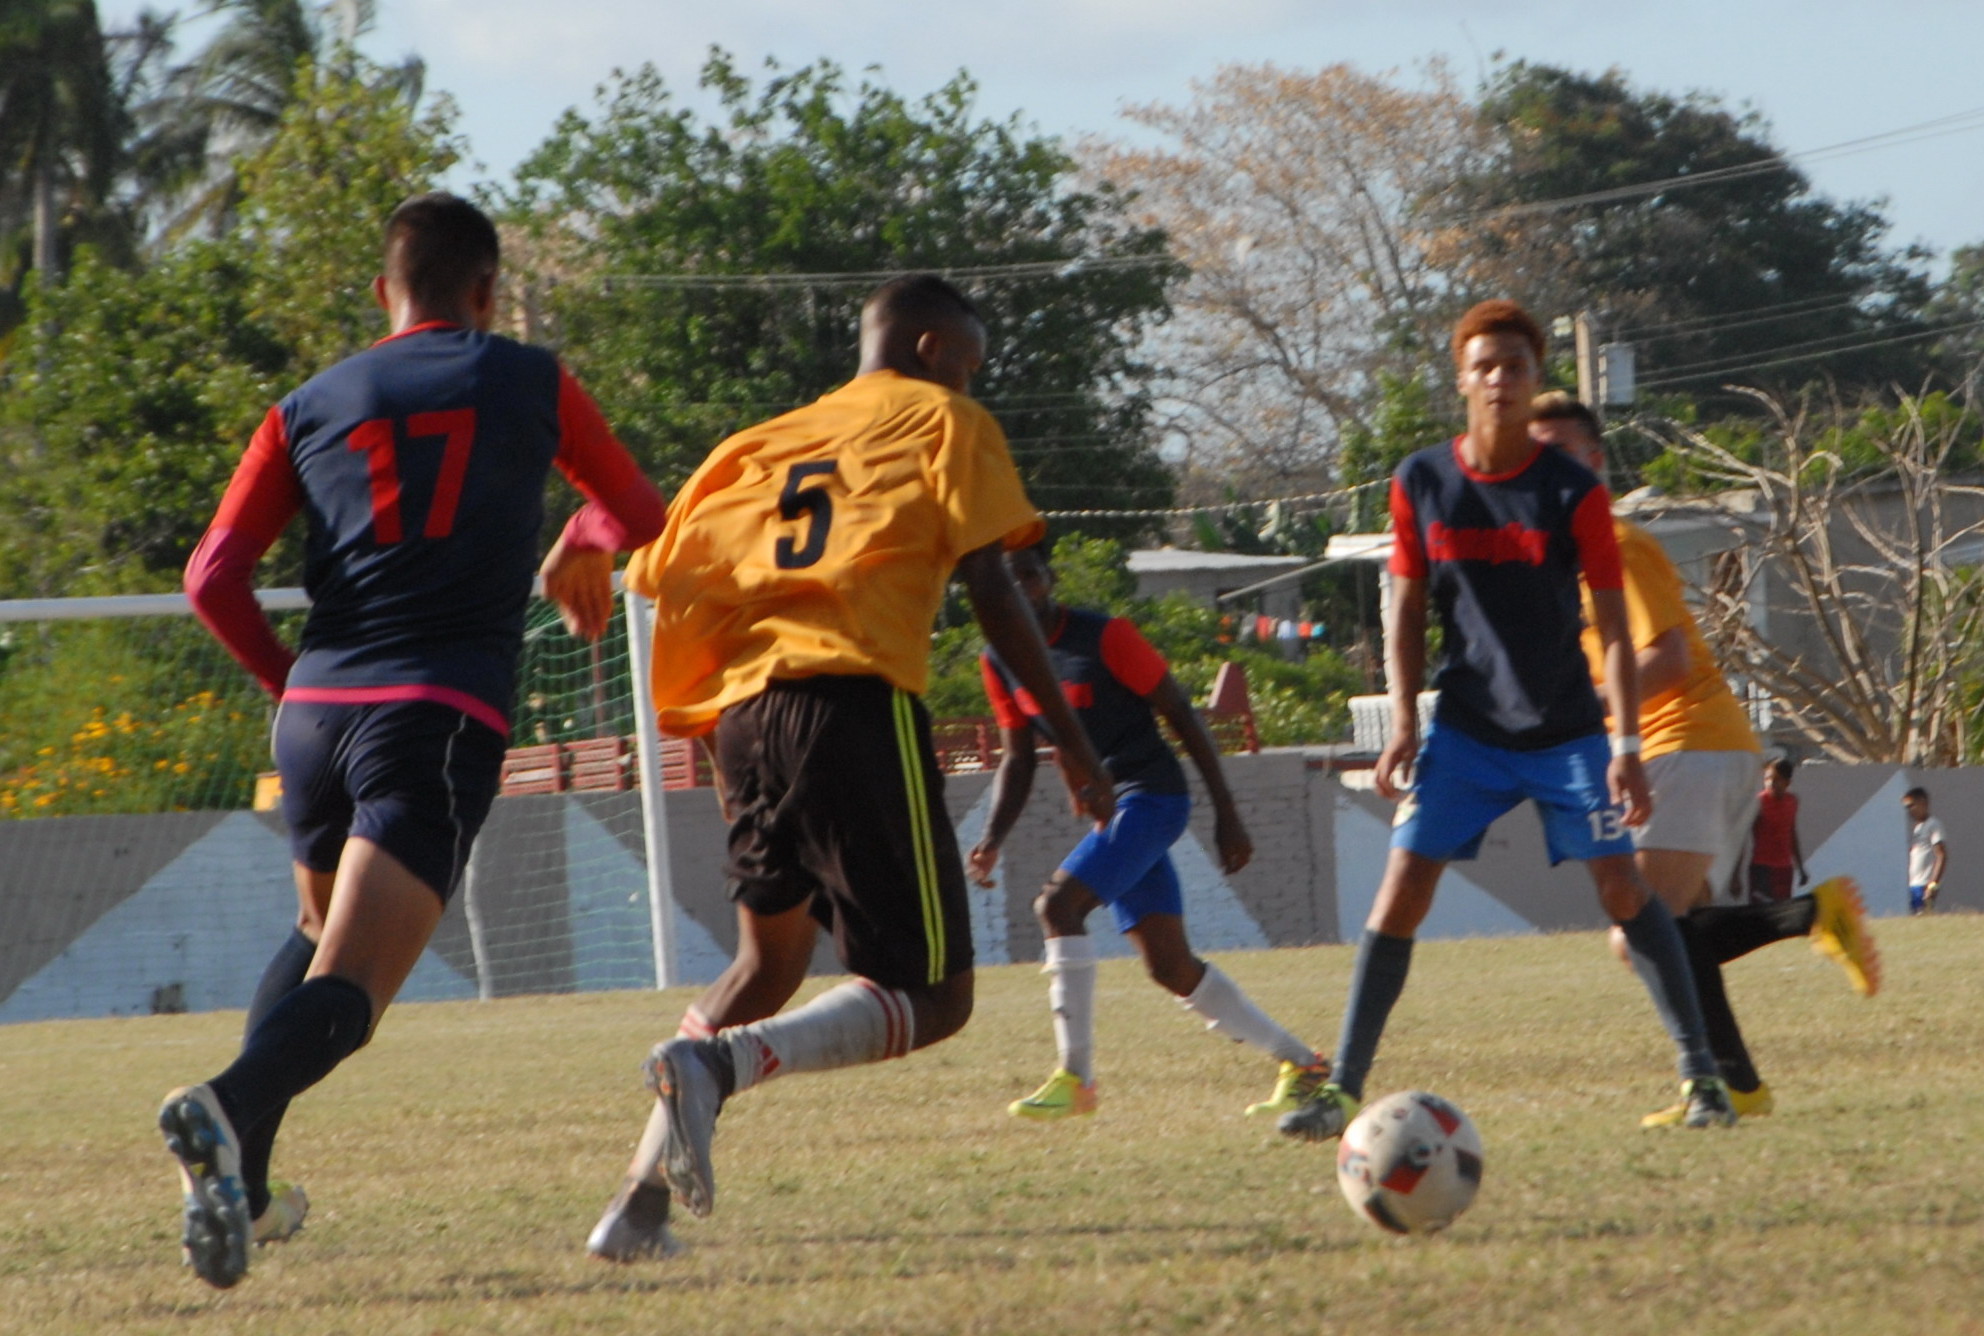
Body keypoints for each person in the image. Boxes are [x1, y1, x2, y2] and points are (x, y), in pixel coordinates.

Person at [161, 193, 669, 1289]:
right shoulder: (529, 379)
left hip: (314, 718)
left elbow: (209, 578)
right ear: (485, 292)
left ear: (384, 293)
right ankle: (224, 1105)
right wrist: (582, 534)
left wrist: (288, 680)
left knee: (313, 936)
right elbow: (637, 505)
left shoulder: (303, 404)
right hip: (431, 711)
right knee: (354, 995)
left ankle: (243, 1187)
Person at [573, 275, 1114, 1262]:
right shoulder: (947, 418)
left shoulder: (751, 445)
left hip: (744, 719)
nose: (971, 377)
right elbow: (993, 582)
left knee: (768, 962)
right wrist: (1075, 744)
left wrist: (719, 745)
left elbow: (667, 581)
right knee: (935, 994)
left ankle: (633, 1207)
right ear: (928, 345)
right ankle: (718, 1066)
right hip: (850, 704)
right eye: (970, 359)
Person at [1278, 299, 1735, 1145]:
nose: (1499, 379)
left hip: (1567, 735)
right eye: (1484, 366)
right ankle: (1340, 1089)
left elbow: (1612, 619)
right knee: (1401, 890)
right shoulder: (1423, 481)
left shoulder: (1570, 493)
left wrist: (1627, 748)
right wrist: (1407, 722)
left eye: (1515, 366)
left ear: (1532, 382)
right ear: (1462, 381)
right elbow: (1407, 608)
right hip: (1466, 734)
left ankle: (1702, 1076)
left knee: (1620, 891)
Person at [1530, 391, 1880, 1126]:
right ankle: (1737, 1084)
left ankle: (1808, 915)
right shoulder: (1564, 561)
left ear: (1596, 464)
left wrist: (1588, 708)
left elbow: (1667, 658)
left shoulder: (1617, 546)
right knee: (1671, 934)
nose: (1547, 468)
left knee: (1639, 935)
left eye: (1563, 452)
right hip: (1692, 750)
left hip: (1686, 741)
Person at [968, 543, 1328, 1122]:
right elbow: (1018, 757)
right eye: (1009, 583)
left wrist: (1226, 813)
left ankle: (1076, 1080)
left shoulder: (1105, 636)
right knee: (1169, 965)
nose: (1022, 591)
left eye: (1031, 577)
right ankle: (1303, 1065)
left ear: (1050, 580)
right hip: (1112, 815)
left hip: (1152, 796)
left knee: (1058, 907)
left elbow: (1183, 715)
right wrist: (992, 838)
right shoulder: (997, 659)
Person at [1750, 758, 1809, 904]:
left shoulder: (1792, 801)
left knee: (1782, 912)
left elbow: (1791, 833)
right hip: (1761, 868)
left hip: (1784, 868)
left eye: (1776, 779)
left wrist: (1800, 867)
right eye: (1767, 778)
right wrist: (1735, 875)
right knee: (1762, 915)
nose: (1770, 783)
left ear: (1787, 783)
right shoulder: (1759, 803)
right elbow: (1742, 837)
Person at [1905, 786, 1947, 914]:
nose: (1909, 810)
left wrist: (1933, 884)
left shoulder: (1933, 824)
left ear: (1923, 803)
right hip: (1914, 884)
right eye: (1907, 807)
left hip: (1924, 884)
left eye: (1912, 805)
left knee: (1924, 916)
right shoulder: (1917, 828)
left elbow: (1941, 855)